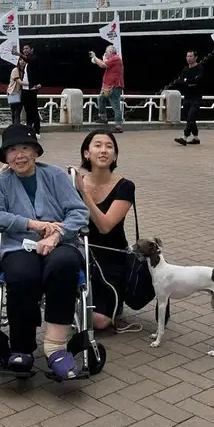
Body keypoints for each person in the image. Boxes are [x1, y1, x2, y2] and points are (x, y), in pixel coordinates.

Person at [0, 124, 89, 379]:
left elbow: (78, 212)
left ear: (36, 152)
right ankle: (21, 347)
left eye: (25, 148)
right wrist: (31, 224)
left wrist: (56, 235)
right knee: (21, 273)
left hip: (61, 243)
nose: (19, 155)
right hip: (19, 245)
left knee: (64, 265)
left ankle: (56, 348)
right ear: (6, 156)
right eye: (13, 150)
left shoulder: (54, 175)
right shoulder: (1, 182)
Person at [72, 130, 134, 330]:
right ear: (86, 153)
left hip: (111, 256)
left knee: (99, 321)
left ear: (115, 155)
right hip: (81, 252)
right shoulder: (72, 183)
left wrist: (83, 192)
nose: (103, 150)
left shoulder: (125, 186)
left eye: (109, 146)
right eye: (97, 145)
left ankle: (114, 299)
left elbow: (105, 226)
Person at [170, 50, 204, 146]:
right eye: (187, 56)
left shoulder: (199, 68)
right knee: (190, 118)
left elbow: (198, 81)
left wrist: (187, 81)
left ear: (195, 57)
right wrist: (188, 82)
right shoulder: (185, 69)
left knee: (190, 117)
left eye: (191, 56)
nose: (188, 58)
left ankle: (184, 137)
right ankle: (196, 138)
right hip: (187, 97)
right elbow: (180, 81)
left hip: (196, 98)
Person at [90, 45, 125, 132]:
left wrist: (94, 57)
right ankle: (103, 117)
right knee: (101, 98)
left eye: (106, 52)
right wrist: (100, 59)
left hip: (114, 86)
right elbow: (104, 63)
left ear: (110, 52)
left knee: (115, 105)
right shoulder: (113, 59)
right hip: (109, 86)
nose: (105, 53)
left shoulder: (115, 59)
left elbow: (102, 65)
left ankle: (118, 126)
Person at [19, 44, 43, 137]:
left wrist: (19, 54)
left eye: (26, 48)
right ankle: (29, 129)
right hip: (25, 89)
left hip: (32, 89)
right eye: (23, 49)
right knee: (27, 110)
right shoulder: (26, 63)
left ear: (31, 49)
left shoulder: (33, 59)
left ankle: (37, 131)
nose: (24, 50)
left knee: (33, 110)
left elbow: (31, 61)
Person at [6, 58, 24, 125]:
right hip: (13, 93)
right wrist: (30, 84)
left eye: (24, 60)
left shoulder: (24, 71)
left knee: (18, 112)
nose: (23, 61)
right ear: (18, 61)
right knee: (15, 112)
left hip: (20, 93)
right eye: (21, 60)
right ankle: (15, 126)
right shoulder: (15, 70)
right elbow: (19, 82)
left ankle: (16, 126)